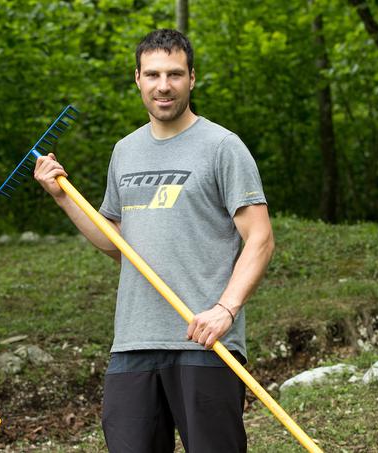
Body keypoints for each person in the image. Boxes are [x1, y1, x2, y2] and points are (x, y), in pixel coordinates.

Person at [34, 29, 274, 452]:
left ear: (192, 79)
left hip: (204, 341)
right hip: (132, 341)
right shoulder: (124, 151)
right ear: (138, 79)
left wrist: (225, 309)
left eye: (175, 74)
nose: (164, 85)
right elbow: (117, 244)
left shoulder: (222, 147)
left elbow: (260, 238)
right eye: (153, 74)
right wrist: (62, 198)